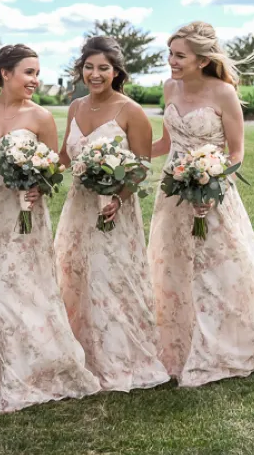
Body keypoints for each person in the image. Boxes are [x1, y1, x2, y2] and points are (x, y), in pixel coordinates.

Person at [149, 21, 254, 387]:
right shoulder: (169, 87)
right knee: (174, 259)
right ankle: (179, 336)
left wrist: (210, 184)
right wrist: (127, 154)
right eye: (170, 54)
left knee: (218, 263)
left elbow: (237, 151)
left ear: (201, 59)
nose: (171, 61)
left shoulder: (223, 92)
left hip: (213, 188)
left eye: (180, 56)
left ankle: (231, 339)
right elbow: (166, 142)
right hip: (173, 189)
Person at [0, 45, 100, 413]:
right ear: (5, 73)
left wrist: (37, 183)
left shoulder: (41, 117)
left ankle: (32, 367)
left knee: (17, 286)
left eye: (37, 73)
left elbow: (54, 167)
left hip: (26, 212)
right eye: (28, 72)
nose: (35, 80)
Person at [54, 37, 169, 392]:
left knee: (109, 277)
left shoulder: (131, 111)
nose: (95, 74)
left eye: (103, 68)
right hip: (78, 207)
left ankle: (118, 355)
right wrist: (28, 166)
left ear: (117, 71)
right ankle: (78, 350)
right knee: (77, 273)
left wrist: (118, 197)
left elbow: (141, 168)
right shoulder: (75, 108)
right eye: (89, 67)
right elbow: (65, 156)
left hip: (113, 208)